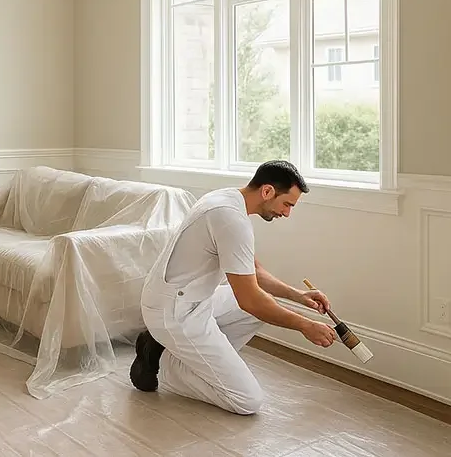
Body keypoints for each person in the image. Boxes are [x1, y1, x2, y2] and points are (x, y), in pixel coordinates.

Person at [131, 160, 337, 415]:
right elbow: (249, 300)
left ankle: (183, 352)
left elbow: (255, 272)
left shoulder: (227, 199)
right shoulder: (230, 219)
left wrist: (299, 295)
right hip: (174, 311)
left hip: (189, 298)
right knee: (247, 400)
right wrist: (305, 325)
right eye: (287, 204)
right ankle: (163, 362)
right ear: (267, 191)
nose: (287, 213)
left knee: (265, 304)